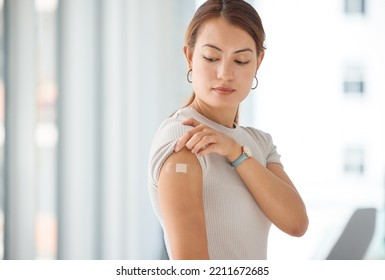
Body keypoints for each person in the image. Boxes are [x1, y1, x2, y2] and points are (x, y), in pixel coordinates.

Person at [148, 0, 308, 260]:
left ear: (259, 61)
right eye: (211, 57)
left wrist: (236, 153)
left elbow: (296, 223)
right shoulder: (183, 137)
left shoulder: (259, 143)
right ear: (189, 56)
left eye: (242, 60)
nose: (225, 73)